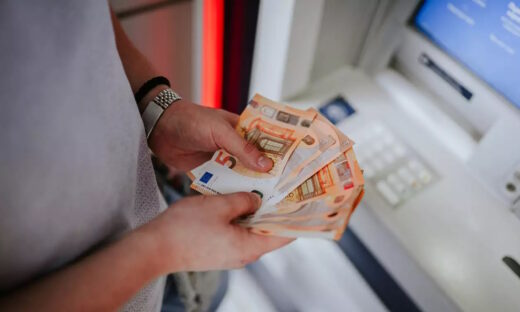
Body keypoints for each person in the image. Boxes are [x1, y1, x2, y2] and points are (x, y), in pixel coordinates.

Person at [0, 1, 292, 311]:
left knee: (216, 287)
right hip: (152, 264)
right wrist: (164, 249)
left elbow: (85, 16)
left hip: (158, 208)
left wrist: (157, 107)